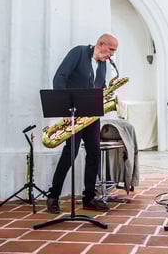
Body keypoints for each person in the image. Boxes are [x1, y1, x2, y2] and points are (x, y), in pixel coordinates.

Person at [46, 33, 119, 214]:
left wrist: (108, 94)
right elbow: (59, 78)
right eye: (111, 50)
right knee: (70, 154)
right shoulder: (78, 53)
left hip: (92, 117)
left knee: (94, 154)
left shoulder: (103, 65)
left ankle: (89, 198)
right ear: (101, 44)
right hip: (74, 115)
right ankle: (53, 196)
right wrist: (64, 109)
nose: (112, 54)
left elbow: (100, 86)